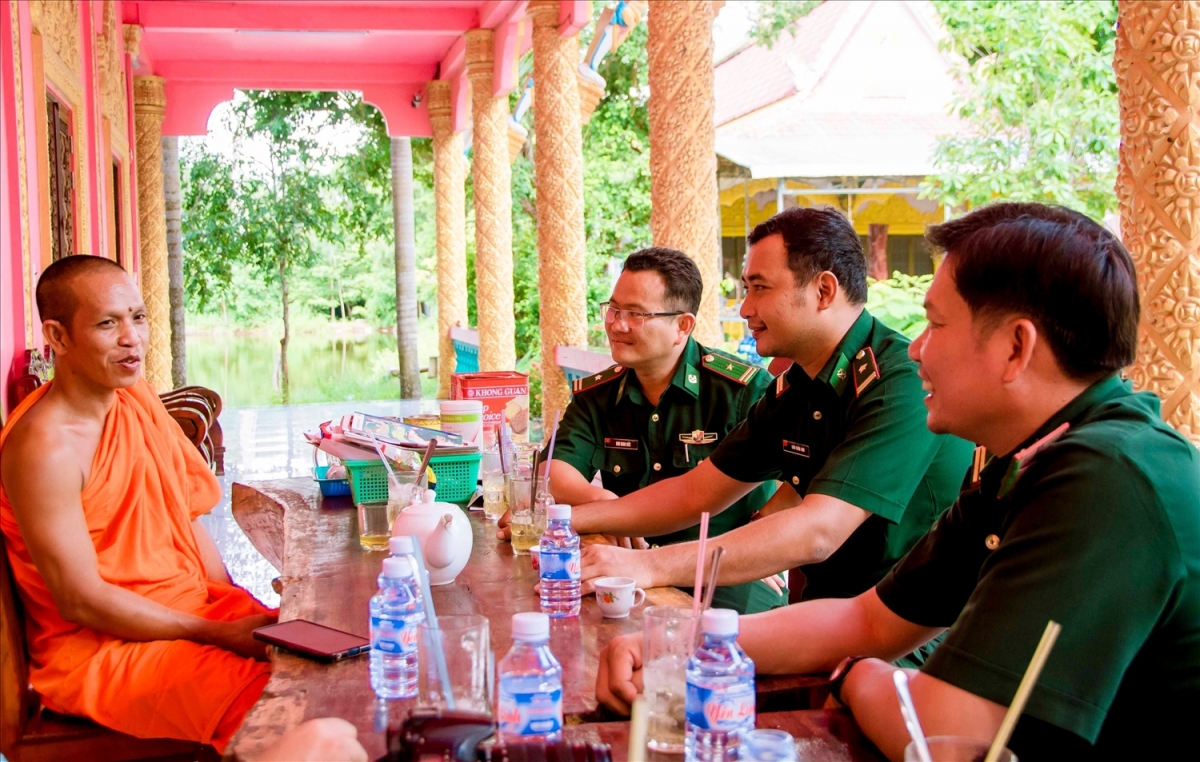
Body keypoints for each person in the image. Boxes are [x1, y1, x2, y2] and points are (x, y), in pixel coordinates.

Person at [596, 203, 1200, 760]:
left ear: (1016, 348)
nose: (916, 348)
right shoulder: (1021, 465)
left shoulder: (1105, 476)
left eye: (936, 324)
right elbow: (870, 621)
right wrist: (690, 640)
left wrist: (854, 673)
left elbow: (947, 735)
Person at [577, 208, 972, 622]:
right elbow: (696, 492)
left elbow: (818, 531)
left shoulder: (897, 382)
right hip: (826, 619)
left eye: (759, 288)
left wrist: (646, 566)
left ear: (823, 290)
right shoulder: (798, 386)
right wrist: (565, 519)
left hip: (903, 635)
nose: (745, 308)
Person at [0, 256, 277, 752]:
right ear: (58, 337)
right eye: (109, 323)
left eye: (138, 317)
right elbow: (80, 599)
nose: (133, 338)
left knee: (327, 655)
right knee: (285, 706)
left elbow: (184, 517)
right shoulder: (45, 450)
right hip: (104, 650)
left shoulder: (134, 400)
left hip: (184, 616)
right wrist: (217, 633)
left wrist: (232, 606)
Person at [499, 247, 786, 613]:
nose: (617, 324)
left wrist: (758, 542)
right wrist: (605, 502)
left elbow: (803, 477)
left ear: (682, 326)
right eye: (614, 309)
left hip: (722, 569)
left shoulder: (742, 392)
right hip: (624, 565)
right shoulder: (598, 396)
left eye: (635, 314)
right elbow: (553, 472)